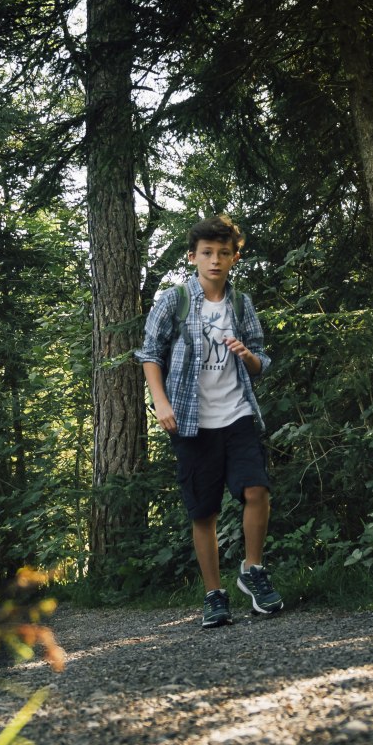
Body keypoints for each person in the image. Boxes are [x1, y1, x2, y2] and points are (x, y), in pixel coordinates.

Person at [137, 214, 286, 627]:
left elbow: (260, 362)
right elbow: (150, 354)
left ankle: (252, 571)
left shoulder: (241, 303)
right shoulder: (173, 300)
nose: (215, 260)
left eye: (224, 253)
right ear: (193, 257)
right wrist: (161, 402)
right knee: (203, 512)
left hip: (237, 414)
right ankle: (214, 594)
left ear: (235, 258)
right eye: (207, 253)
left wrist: (247, 355)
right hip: (190, 420)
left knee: (256, 490)